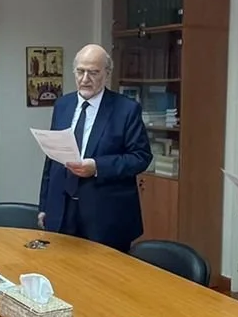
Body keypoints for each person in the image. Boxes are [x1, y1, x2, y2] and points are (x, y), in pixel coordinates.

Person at [37, 44, 153, 251]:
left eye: (93, 72)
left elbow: (141, 157)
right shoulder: (63, 105)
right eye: (80, 71)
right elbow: (51, 159)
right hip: (62, 210)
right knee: (60, 266)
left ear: (107, 74)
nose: (85, 79)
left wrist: (97, 166)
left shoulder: (126, 109)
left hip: (106, 215)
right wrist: (45, 205)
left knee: (103, 270)